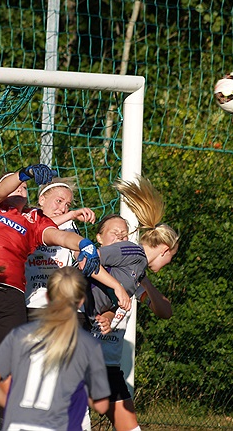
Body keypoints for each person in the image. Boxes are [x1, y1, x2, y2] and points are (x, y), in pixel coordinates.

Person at [0, 164, 130, 431]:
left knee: (5, 385)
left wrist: (84, 244)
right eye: (15, 184)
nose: (19, 188)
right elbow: (0, 191)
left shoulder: (33, 221)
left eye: (24, 187)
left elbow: (59, 235)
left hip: (8, 301)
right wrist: (22, 174)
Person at [86, 177, 179, 431]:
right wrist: (113, 294)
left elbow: (164, 310)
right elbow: (85, 262)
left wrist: (141, 280)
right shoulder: (125, 256)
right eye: (114, 233)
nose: (121, 237)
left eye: (124, 233)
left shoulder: (133, 272)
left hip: (108, 365)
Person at [0, 266, 111, 430]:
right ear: (82, 301)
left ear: (47, 297)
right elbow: (102, 405)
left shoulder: (19, 335)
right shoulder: (87, 344)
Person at [25, 177, 96, 319]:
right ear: (42, 200)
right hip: (30, 301)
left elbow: (77, 250)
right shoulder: (28, 218)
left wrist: (84, 257)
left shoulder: (69, 225)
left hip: (61, 305)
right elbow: (39, 228)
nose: (63, 209)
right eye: (59, 201)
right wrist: (71, 214)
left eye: (67, 205)